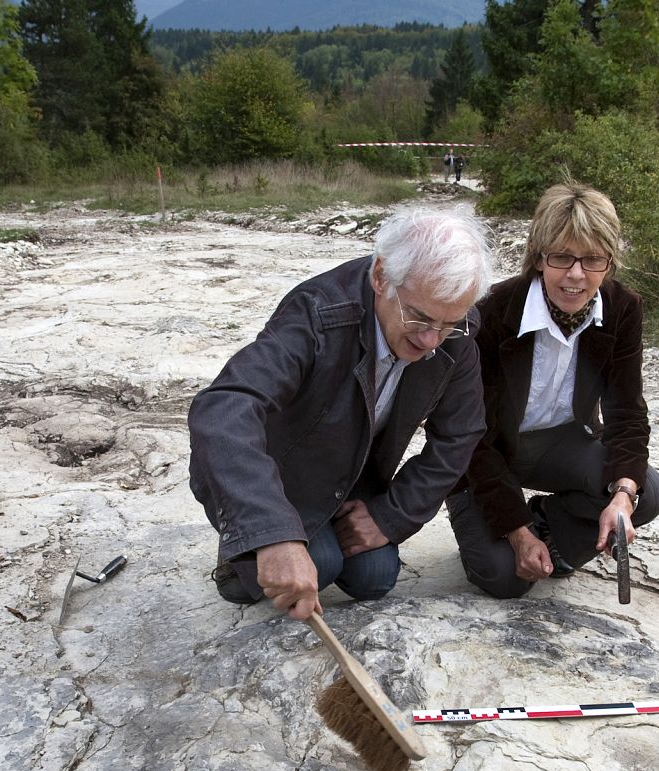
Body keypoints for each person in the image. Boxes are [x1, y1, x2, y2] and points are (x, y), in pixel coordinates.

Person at [189, 203, 495, 621]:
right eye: (419, 318)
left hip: (355, 479)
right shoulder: (318, 313)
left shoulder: (450, 324)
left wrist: (389, 516)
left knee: (375, 577)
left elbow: (461, 433)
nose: (431, 341)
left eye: (449, 324)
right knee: (324, 565)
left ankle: (306, 539)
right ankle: (239, 550)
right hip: (283, 479)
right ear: (380, 276)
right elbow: (223, 408)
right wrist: (271, 533)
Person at [448, 182, 659, 599]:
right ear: (538, 258)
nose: (575, 274)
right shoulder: (491, 314)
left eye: (592, 259)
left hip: (559, 445)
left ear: (609, 262)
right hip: (485, 455)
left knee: (648, 491)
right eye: (562, 257)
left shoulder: (623, 309)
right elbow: (470, 435)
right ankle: (508, 523)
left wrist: (622, 495)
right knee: (504, 579)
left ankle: (547, 522)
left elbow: (626, 411)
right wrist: (515, 533)